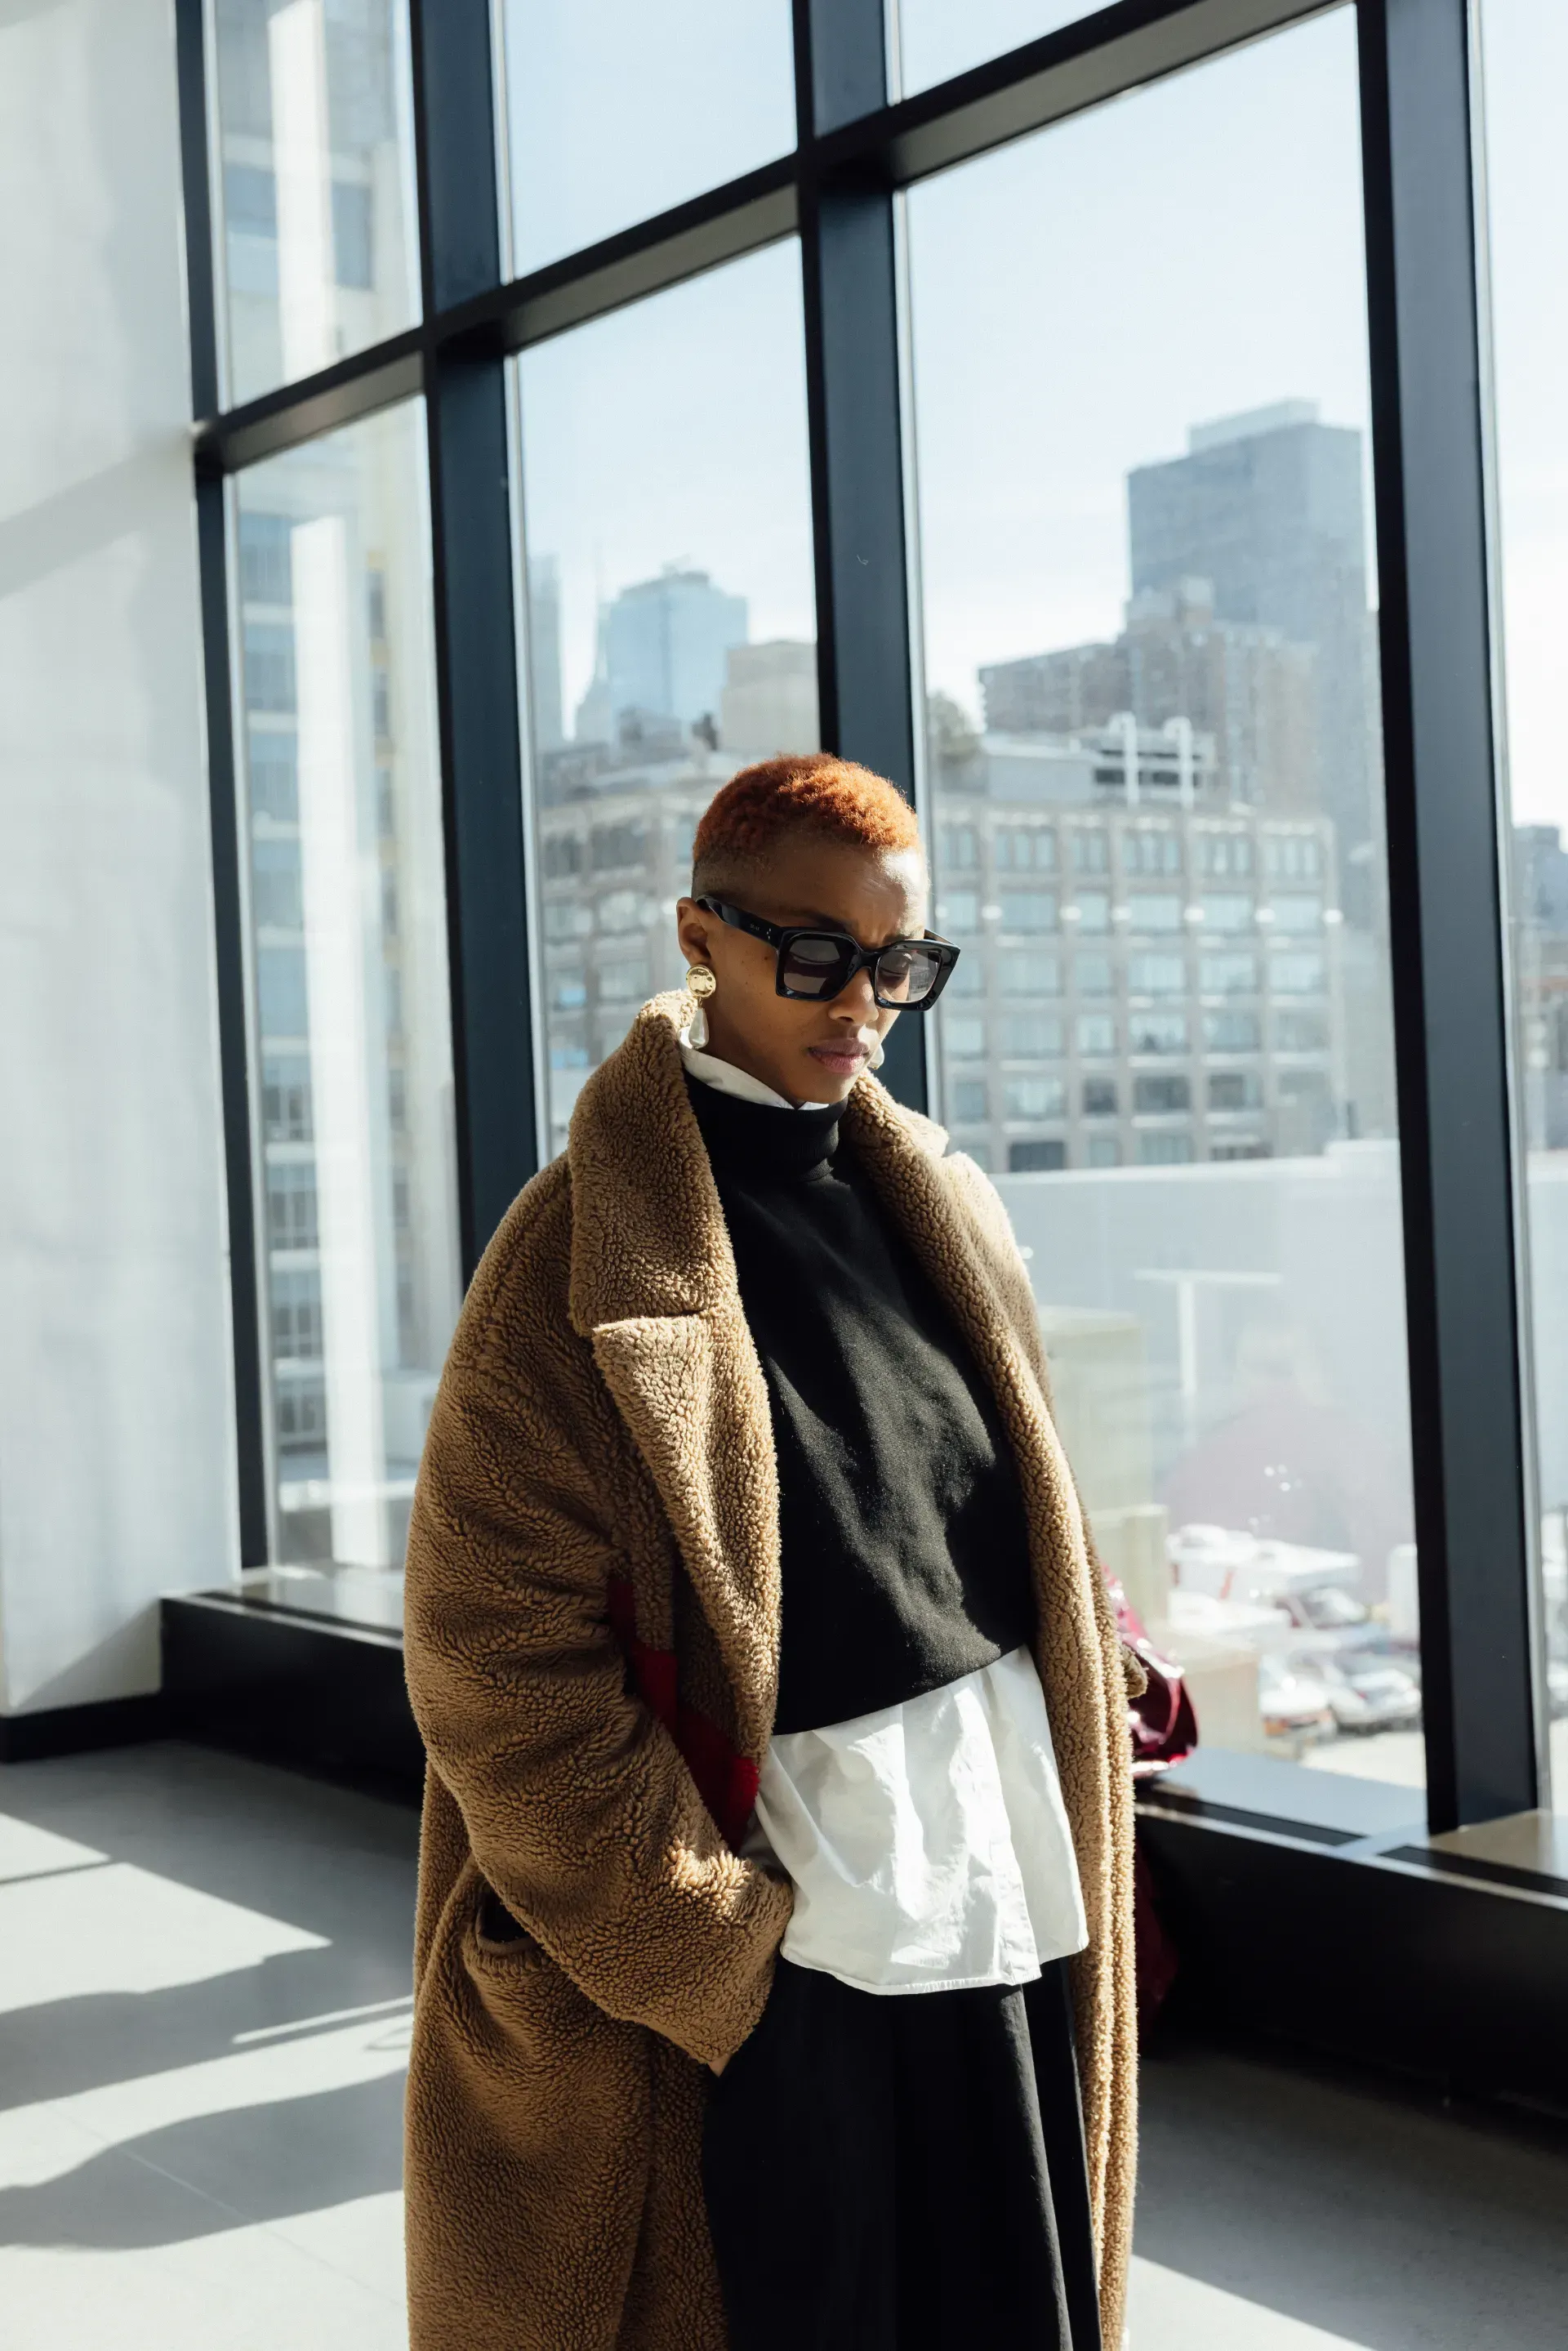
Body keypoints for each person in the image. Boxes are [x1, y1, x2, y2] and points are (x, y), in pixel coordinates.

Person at [401, 754, 1138, 2351]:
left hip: (1002, 1898)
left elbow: (989, 1521)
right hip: (784, 1950)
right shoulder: (573, 1252)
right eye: (811, 952)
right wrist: (718, 1949)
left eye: (898, 961)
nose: (857, 999)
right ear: (699, 933)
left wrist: (1093, 1649)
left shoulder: (939, 1195)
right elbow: (491, 1657)